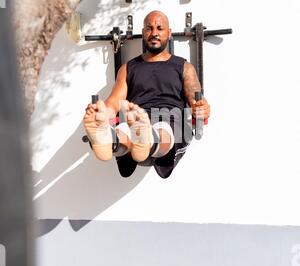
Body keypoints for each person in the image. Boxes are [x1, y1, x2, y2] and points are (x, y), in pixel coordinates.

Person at [83, 10, 210, 178]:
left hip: (170, 121)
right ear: (143, 33)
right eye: (149, 28)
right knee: (125, 129)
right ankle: (108, 140)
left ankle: (145, 139)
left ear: (169, 33)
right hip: (135, 118)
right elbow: (114, 102)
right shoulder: (128, 68)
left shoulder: (184, 67)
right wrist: (102, 113)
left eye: (159, 28)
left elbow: (197, 101)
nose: (154, 33)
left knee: (162, 130)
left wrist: (202, 109)